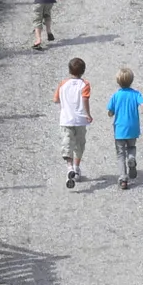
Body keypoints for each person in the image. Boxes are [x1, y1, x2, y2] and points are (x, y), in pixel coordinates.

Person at [106, 67, 143, 189]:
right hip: (133, 128)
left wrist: (111, 113)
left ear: (118, 82)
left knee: (120, 154)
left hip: (120, 129)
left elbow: (110, 111)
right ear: (131, 80)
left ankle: (123, 179)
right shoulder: (136, 94)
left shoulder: (116, 95)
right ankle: (131, 158)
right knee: (131, 146)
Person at [53, 56, 92, 188]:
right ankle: (76, 168)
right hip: (80, 120)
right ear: (83, 71)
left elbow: (56, 100)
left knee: (67, 144)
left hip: (66, 120)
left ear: (69, 70)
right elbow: (85, 99)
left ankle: (69, 167)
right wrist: (88, 114)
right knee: (79, 145)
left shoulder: (63, 84)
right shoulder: (85, 84)